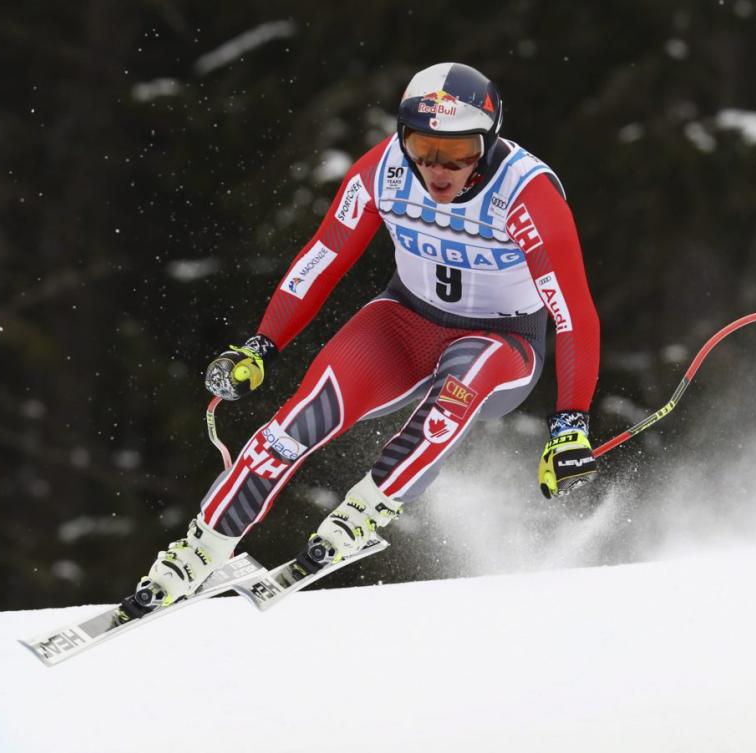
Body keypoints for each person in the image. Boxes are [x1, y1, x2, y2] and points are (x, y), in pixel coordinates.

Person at [131, 62, 601, 610]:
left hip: (503, 343)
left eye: (459, 153)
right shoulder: (383, 171)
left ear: (489, 142)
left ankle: (367, 507)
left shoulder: (528, 195)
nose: (439, 170)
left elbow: (574, 315)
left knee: (459, 385)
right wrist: (262, 344)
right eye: (423, 149)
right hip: (403, 321)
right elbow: (323, 256)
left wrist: (570, 423)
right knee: (295, 421)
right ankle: (199, 551)